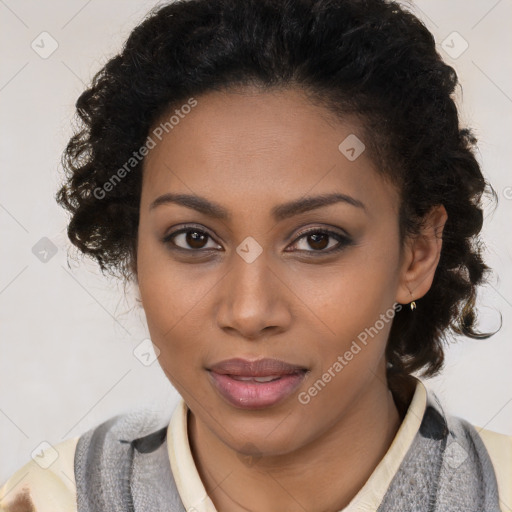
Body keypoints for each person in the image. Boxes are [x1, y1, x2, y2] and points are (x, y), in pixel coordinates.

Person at [1, 0, 511, 510]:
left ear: (417, 254)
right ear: (134, 251)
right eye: (194, 239)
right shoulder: (48, 499)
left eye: (317, 240)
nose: (249, 312)